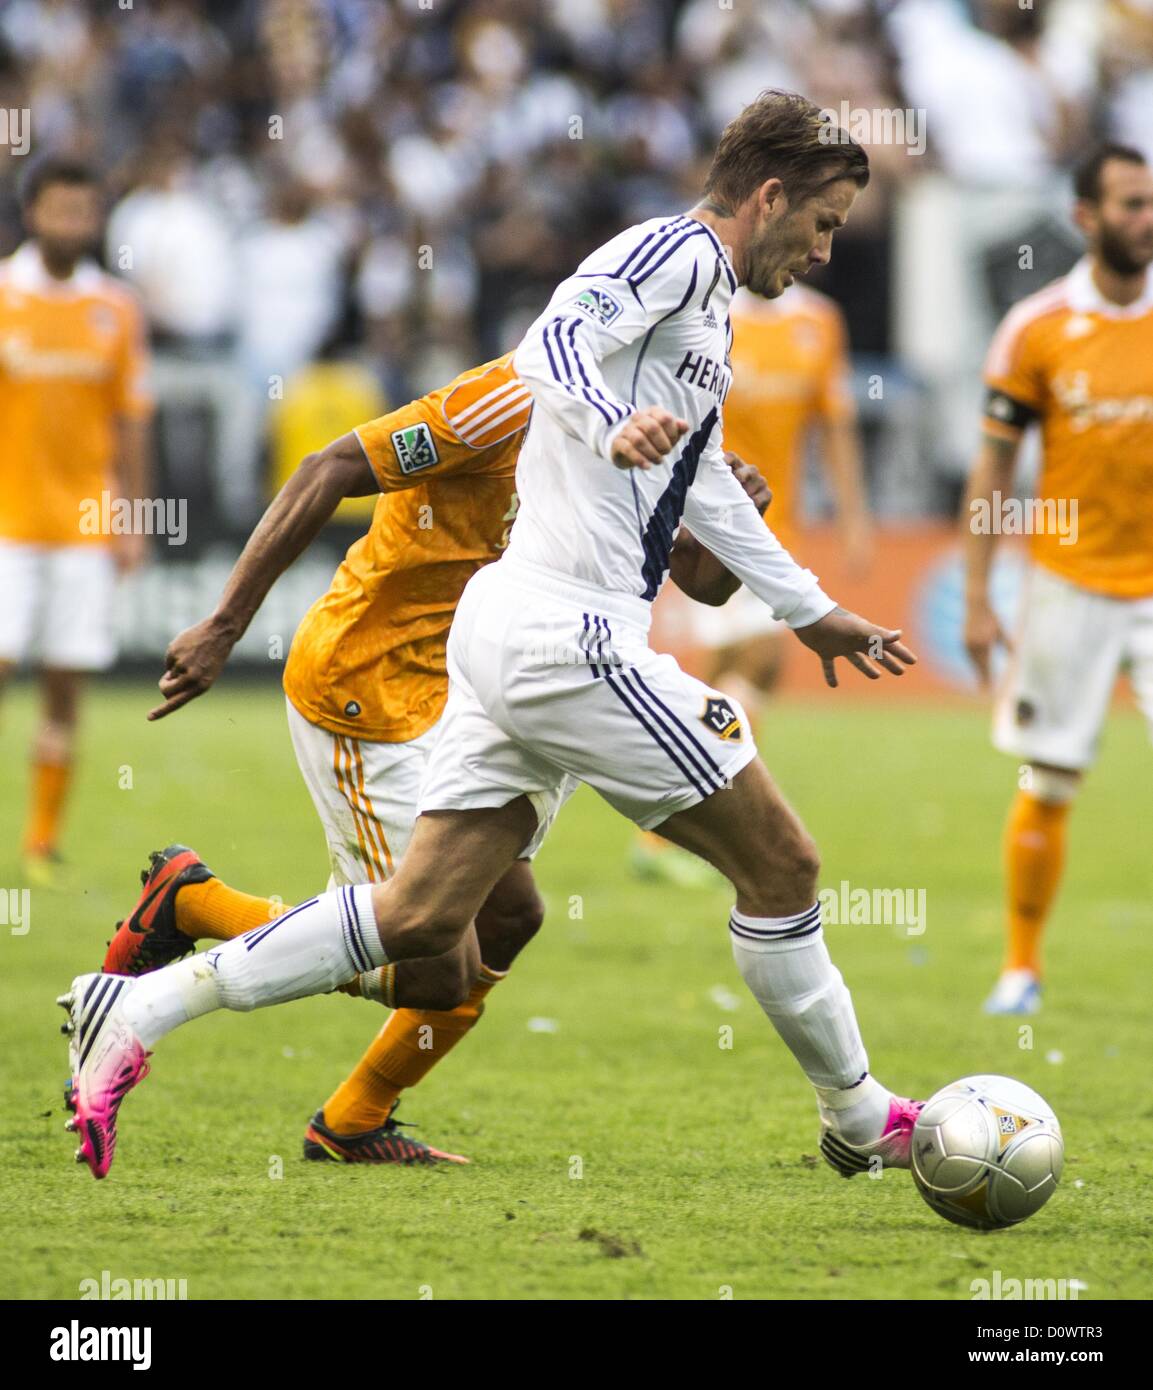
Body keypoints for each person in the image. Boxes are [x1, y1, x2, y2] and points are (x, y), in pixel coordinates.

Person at [60, 90, 921, 1185]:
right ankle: (859, 1118)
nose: (824, 249)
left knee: (426, 923)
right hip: (568, 637)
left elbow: (698, 482)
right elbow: (554, 338)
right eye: (825, 222)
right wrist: (609, 421)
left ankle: (134, 1008)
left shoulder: (703, 323)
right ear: (767, 196)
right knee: (786, 863)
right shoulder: (679, 258)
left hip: (508, 632)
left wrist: (807, 609)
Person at [95, 354, 766, 1166]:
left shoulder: (657, 422)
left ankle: (353, 1119)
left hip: (477, 691)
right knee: (431, 968)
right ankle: (194, 907)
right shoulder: (504, 401)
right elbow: (329, 465)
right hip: (371, 686)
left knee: (511, 918)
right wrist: (225, 624)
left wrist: (737, 522)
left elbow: (701, 582)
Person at [964, 144, 1153, 1015]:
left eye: (1150, 201)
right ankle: (1021, 966)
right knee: (1046, 778)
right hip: (1068, 582)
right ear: (1084, 217)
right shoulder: (1035, 326)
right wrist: (976, 595)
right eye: (1128, 204)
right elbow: (991, 469)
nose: (1145, 217)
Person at [0, 158, 152, 886]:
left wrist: (133, 517)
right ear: (32, 213)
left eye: (83, 211)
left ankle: (39, 845)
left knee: (65, 685)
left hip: (87, 525)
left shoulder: (116, 307)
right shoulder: (3, 293)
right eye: (59, 209)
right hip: (8, 522)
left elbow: (130, 418)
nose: (71, 224)